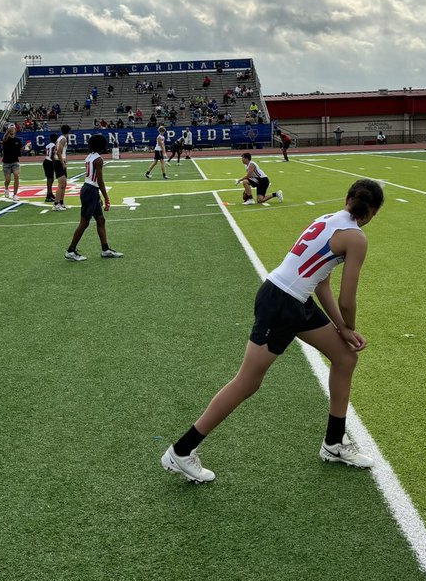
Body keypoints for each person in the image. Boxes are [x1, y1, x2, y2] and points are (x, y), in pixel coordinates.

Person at [161, 178, 385, 483]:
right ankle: (182, 450)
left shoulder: (326, 219)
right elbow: (347, 299)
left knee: (345, 358)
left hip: (293, 298)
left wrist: (342, 330)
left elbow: (321, 282)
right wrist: (350, 326)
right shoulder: (356, 238)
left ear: (347, 198)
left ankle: (334, 443)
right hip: (282, 302)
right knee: (247, 382)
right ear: (373, 212)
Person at [64, 135, 123, 262]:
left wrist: (98, 196)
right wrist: (106, 198)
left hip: (89, 189)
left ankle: (105, 249)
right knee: (84, 223)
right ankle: (70, 250)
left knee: (100, 220)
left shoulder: (89, 156)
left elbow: (93, 180)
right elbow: (100, 181)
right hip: (90, 191)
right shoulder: (98, 159)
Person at [0, 123, 23, 202]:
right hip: (6, 162)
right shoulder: (6, 139)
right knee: (8, 180)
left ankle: (15, 194)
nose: (12, 130)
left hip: (15, 161)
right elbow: (4, 138)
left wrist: (26, 148)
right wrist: (8, 131)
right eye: (11, 129)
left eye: (13, 129)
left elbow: (21, 149)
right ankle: (6, 188)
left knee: (16, 175)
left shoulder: (17, 140)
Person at [53, 124, 71, 211]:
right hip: (59, 162)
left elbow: (55, 150)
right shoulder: (63, 139)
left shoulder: (59, 138)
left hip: (59, 161)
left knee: (64, 184)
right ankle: (56, 204)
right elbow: (58, 152)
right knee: (61, 184)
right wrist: (62, 163)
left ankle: (61, 202)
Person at [42, 135, 57, 203]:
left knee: (51, 178)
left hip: (46, 161)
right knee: (50, 179)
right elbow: (51, 156)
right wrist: (55, 163)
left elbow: (46, 152)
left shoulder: (47, 145)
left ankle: (50, 193)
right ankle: (48, 195)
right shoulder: (54, 145)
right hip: (49, 162)